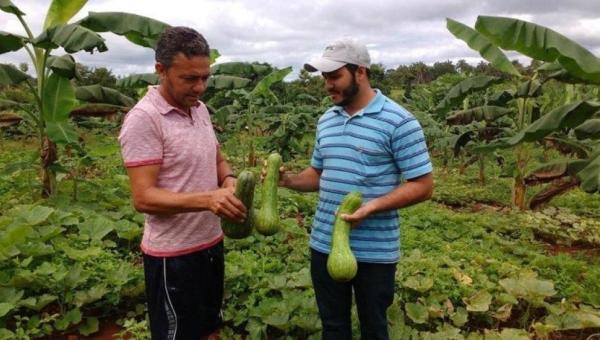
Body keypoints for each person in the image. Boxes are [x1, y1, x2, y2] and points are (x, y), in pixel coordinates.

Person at [279, 38, 434, 339]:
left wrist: (373, 206)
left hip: (374, 253)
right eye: (324, 77)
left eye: (335, 76)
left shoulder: (399, 121)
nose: (327, 85)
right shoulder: (326, 120)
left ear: (360, 72)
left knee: (374, 329)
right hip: (324, 245)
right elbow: (318, 174)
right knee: (333, 328)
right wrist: (289, 181)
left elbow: (423, 186)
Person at [118, 26, 246, 340]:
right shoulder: (144, 119)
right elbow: (143, 197)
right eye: (189, 79)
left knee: (209, 329)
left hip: (210, 245)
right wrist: (207, 200)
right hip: (173, 258)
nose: (200, 87)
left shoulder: (199, 109)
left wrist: (228, 179)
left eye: (205, 77)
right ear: (161, 70)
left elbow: (217, 159)